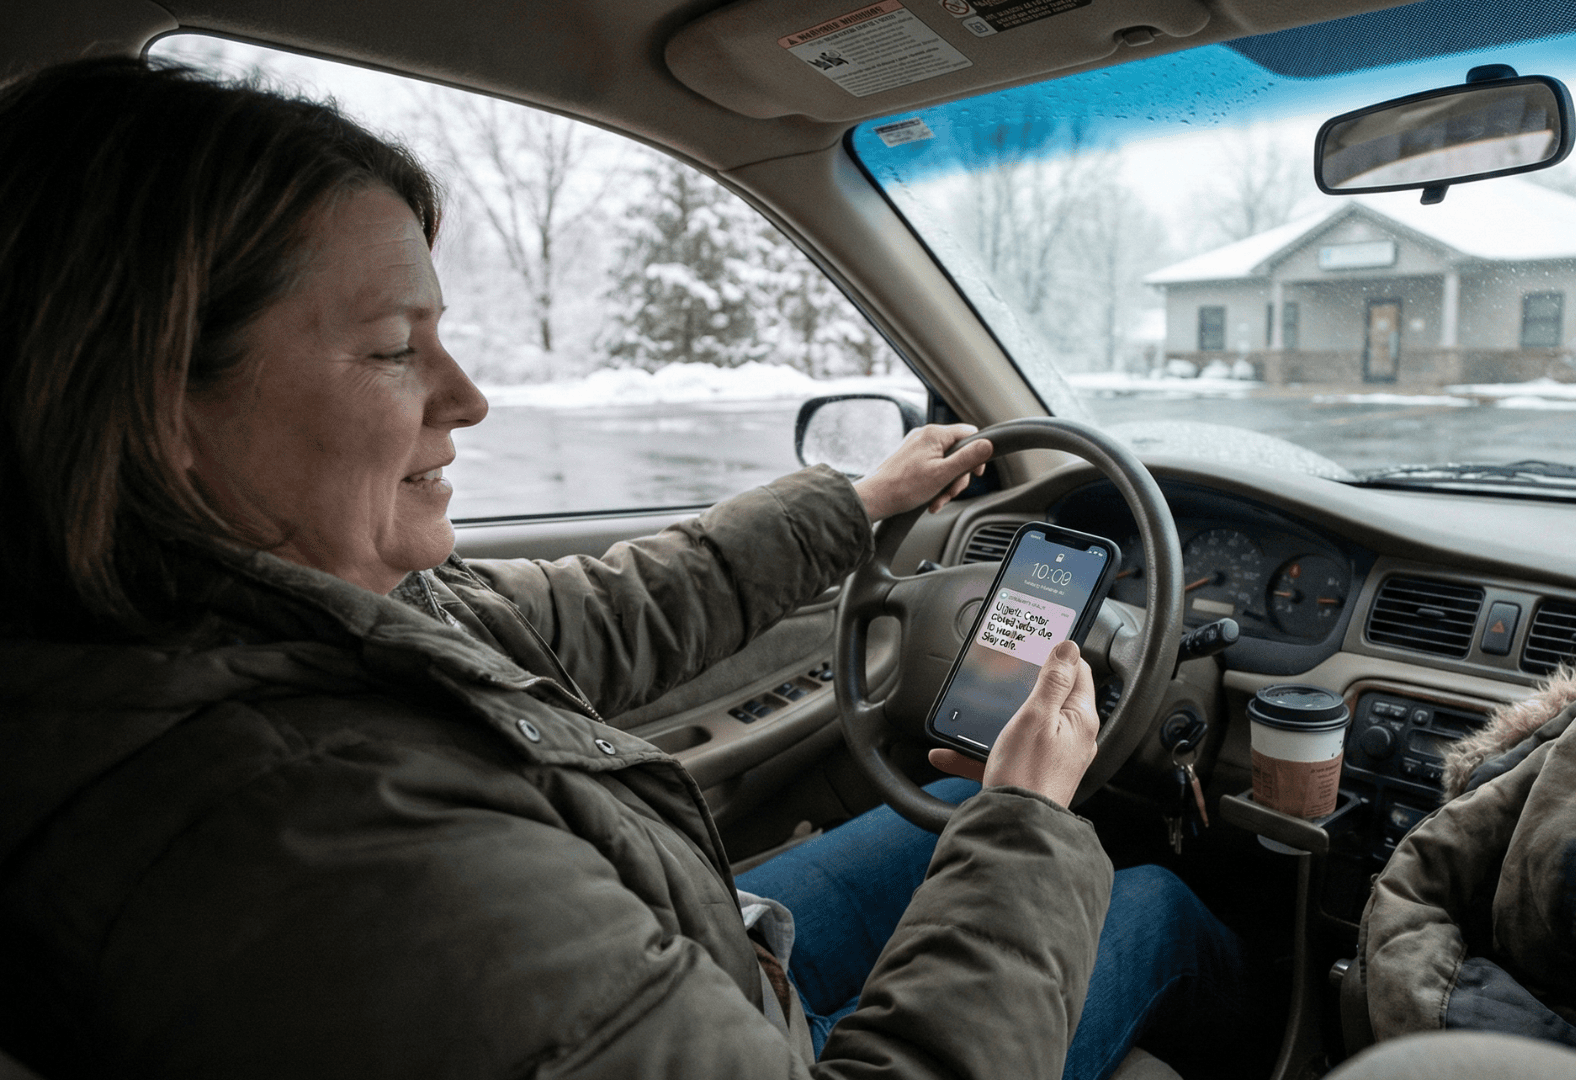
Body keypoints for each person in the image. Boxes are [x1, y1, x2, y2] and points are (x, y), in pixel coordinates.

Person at [0, 56, 1255, 1080]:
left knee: (919, 830)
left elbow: (606, 612)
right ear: (152, 404)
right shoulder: (326, 845)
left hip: (709, 973)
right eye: (393, 350)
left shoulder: (279, 619)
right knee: (1149, 903)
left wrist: (857, 504)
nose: (469, 398)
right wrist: (1028, 813)